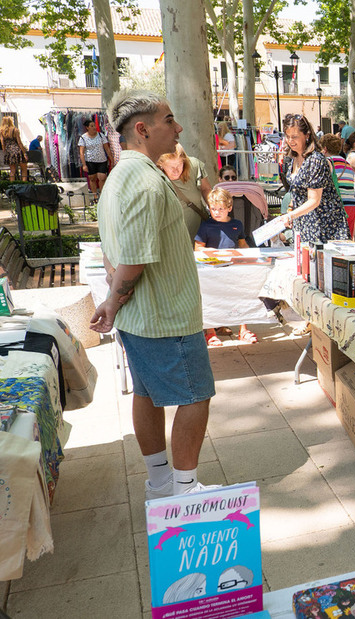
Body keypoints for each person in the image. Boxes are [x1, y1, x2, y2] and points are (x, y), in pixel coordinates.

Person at [90, 88, 215, 498]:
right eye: (169, 120)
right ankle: (183, 487)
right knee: (195, 396)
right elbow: (135, 260)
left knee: (146, 394)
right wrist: (112, 300)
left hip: (143, 317)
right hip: (165, 316)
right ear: (142, 130)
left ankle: (160, 481)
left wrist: (114, 299)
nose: (177, 128)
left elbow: (118, 251)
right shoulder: (144, 180)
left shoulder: (120, 176)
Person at [195, 187, 257, 347]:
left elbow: (242, 244)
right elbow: (198, 247)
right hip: (211, 270)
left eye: (221, 209)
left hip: (233, 268)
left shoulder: (237, 224)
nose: (216, 212)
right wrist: (210, 251)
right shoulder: (206, 225)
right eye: (213, 209)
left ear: (229, 208)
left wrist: (253, 256)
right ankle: (210, 332)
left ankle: (243, 329)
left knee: (240, 296)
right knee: (210, 298)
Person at [278, 114, 350, 243]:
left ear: (307, 135)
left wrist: (290, 215)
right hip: (304, 223)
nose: (290, 141)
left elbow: (314, 200)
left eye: (294, 137)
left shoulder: (316, 160)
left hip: (324, 226)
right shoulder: (292, 159)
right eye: (287, 136)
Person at [157, 144, 212, 242]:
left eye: (179, 165)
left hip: (198, 234)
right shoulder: (154, 175)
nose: (176, 170)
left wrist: (214, 207)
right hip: (170, 236)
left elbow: (206, 189)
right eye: (171, 166)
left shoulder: (194, 166)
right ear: (161, 165)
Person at [320, 134, 355, 237]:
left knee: (333, 241)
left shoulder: (327, 162)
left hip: (336, 206)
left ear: (325, 148)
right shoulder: (347, 163)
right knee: (347, 239)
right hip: (351, 205)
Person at [78, 118, 115, 194]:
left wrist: (112, 160)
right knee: (92, 178)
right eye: (92, 126)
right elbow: (81, 153)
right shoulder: (83, 138)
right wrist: (84, 165)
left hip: (102, 160)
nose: (94, 127)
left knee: (102, 177)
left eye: (94, 125)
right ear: (87, 128)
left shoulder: (101, 136)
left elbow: (107, 149)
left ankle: (102, 195)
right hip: (90, 161)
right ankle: (95, 196)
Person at [0, 116, 29, 182]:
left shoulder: (1, 131)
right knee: (24, 169)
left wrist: (5, 151)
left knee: (12, 171)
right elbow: (19, 142)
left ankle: (12, 186)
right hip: (17, 150)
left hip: (9, 151)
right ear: (11, 122)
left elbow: (2, 143)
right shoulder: (15, 130)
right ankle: (23, 185)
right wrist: (24, 153)